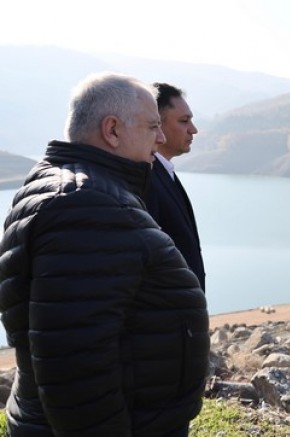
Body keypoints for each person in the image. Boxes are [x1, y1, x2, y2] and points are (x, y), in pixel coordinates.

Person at [0, 73, 210, 435]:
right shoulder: (85, 205)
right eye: (152, 127)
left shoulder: (73, 189)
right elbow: (76, 364)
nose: (160, 138)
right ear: (112, 130)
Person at [145, 82, 206, 291]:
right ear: (156, 124)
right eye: (184, 121)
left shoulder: (163, 172)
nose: (193, 130)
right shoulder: (147, 179)